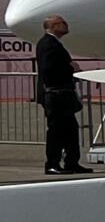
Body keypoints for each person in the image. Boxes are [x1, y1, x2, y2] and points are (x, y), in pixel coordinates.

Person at [34, 13, 89, 174]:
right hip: (55, 95)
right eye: (62, 23)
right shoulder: (48, 44)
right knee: (56, 131)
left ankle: (72, 162)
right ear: (53, 26)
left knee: (70, 129)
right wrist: (71, 68)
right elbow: (48, 68)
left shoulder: (53, 43)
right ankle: (52, 164)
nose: (65, 25)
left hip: (61, 94)